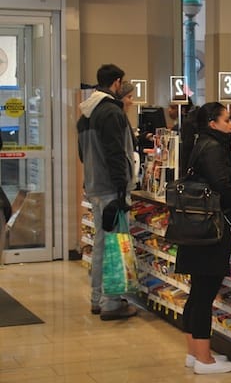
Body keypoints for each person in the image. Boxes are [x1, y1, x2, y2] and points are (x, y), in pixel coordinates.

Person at [174, 101, 231, 375]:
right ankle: (205, 360)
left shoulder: (198, 144)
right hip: (211, 231)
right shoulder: (214, 149)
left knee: (196, 293)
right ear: (212, 123)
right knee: (204, 294)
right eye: (227, 120)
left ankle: (194, 353)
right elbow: (225, 190)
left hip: (195, 228)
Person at [77, 64, 137, 321]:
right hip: (111, 189)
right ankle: (111, 303)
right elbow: (116, 153)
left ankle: (96, 298)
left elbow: (82, 153)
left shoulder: (85, 115)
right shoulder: (112, 112)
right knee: (115, 244)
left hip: (94, 185)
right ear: (117, 82)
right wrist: (122, 188)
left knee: (102, 243)